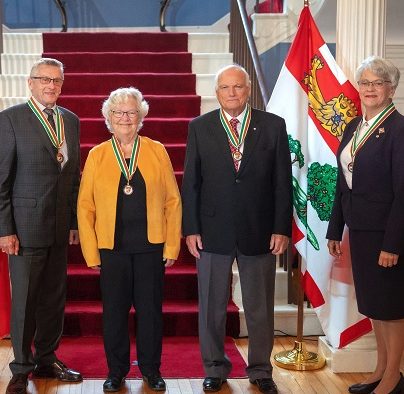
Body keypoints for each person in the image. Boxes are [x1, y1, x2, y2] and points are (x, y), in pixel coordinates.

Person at [181, 64, 292, 394]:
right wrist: (191, 228)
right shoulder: (200, 127)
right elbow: (191, 183)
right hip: (212, 230)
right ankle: (214, 367)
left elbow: (282, 183)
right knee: (212, 307)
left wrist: (280, 227)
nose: (232, 93)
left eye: (238, 87)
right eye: (225, 88)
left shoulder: (272, 126)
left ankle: (260, 369)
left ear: (248, 90)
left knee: (259, 308)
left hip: (260, 229)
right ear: (216, 93)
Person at [78, 87, 182, 392]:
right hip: (112, 248)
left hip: (151, 246)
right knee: (114, 313)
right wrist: (91, 252)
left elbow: (173, 201)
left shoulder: (157, 150)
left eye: (131, 112)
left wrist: (172, 245)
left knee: (150, 312)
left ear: (141, 116)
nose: (125, 117)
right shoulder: (97, 154)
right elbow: (85, 207)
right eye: (119, 112)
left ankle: (151, 370)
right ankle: (117, 371)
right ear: (108, 118)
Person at [0, 58, 82, 394]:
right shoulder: (10, 119)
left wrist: (73, 221)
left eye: (57, 80)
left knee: (53, 299)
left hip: (59, 227)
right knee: (26, 300)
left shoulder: (70, 121)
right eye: (44, 79)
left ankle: (46, 359)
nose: (51, 86)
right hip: (24, 227)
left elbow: (73, 177)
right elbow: (0, 180)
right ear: (30, 83)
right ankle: (20, 367)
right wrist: (5, 229)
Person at [326, 56, 404, 394]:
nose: (370, 89)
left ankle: (393, 377)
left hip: (386, 235)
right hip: (359, 230)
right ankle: (379, 370)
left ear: (392, 89)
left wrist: (393, 243)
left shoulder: (403, 129)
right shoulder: (353, 126)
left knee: (390, 308)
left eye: (378, 83)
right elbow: (342, 182)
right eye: (365, 83)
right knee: (374, 306)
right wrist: (336, 229)